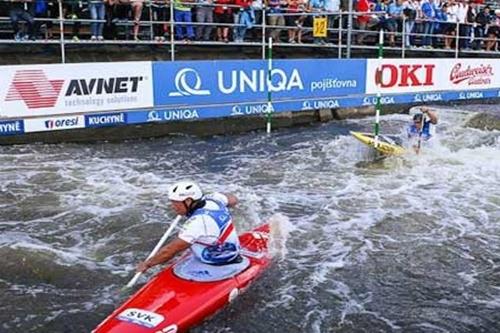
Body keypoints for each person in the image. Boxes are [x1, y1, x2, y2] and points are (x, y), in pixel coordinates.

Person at [136, 181, 241, 273]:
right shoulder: (213, 200)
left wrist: (148, 264)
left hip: (219, 261)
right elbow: (233, 199)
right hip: (225, 248)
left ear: (188, 201)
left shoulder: (197, 223)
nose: (173, 207)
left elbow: (169, 251)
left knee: (180, 246)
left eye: (176, 203)